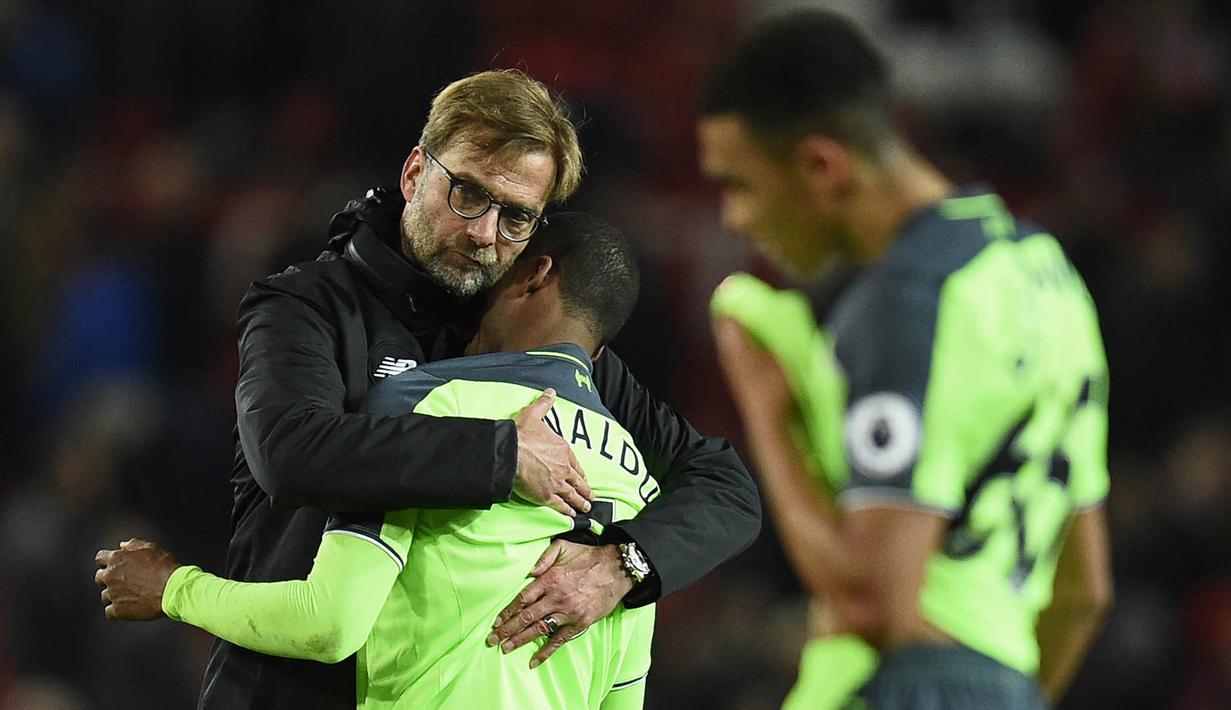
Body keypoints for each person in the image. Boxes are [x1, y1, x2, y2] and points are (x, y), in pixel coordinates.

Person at [170, 69, 759, 709]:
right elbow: (289, 450)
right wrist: (499, 456)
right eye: (470, 195)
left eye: (516, 217)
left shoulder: (537, 344)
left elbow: (725, 486)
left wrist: (620, 567)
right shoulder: (309, 305)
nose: (484, 234)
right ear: (415, 173)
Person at [698, 10, 1112, 709]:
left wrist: (767, 409)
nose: (733, 219)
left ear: (821, 166)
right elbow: (1083, 591)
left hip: (905, 684)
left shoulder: (907, 301)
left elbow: (869, 601)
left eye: (738, 184)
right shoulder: (1046, 277)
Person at [97, 213, 661, 709]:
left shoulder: (436, 402)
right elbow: (621, 697)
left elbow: (329, 623)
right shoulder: (642, 485)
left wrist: (175, 588)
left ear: (534, 275)